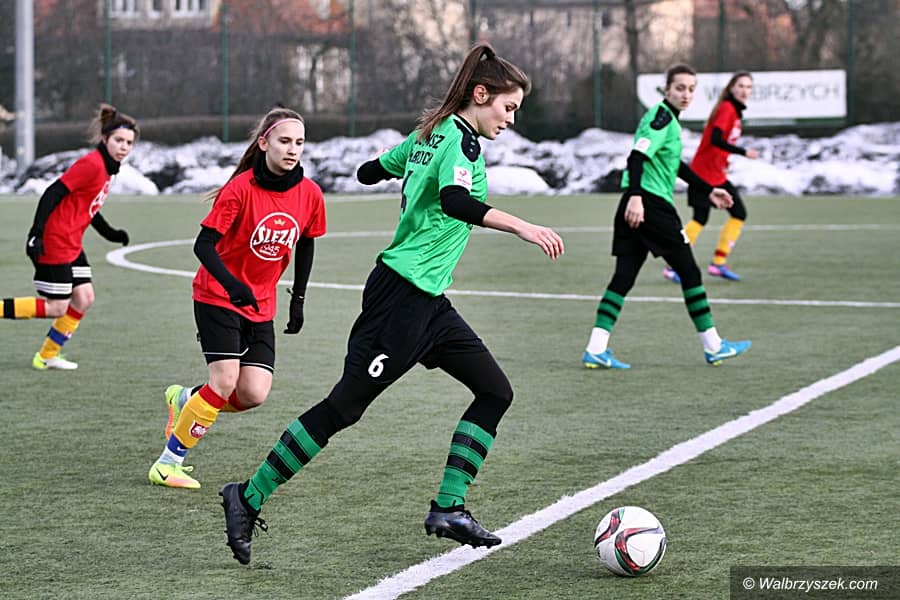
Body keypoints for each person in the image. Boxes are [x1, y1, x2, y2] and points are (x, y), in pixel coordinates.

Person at [218, 43, 565, 565]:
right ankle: (247, 496)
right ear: (480, 94)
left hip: (429, 303)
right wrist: (522, 226)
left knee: (495, 391)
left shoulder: (430, 133)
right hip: (399, 300)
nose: (511, 119)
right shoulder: (460, 144)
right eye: (508, 107)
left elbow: (370, 170)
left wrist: (397, 172)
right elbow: (454, 201)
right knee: (344, 407)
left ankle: (449, 507)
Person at [148, 107, 326, 490]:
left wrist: (297, 300)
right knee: (224, 382)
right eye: (284, 141)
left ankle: (187, 400)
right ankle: (167, 463)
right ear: (264, 143)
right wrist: (232, 285)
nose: (292, 149)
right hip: (217, 295)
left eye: (299, 142)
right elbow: (203, 245)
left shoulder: (310, 194)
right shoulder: (241, 188)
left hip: (260, 304)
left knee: (252, 393)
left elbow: (307, 243)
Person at [581, 64, 750, 370]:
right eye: (680, 88)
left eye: (691, 89)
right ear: (666, 89)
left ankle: (596, 348)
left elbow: (676, 165)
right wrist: (636, 196)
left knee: (624, 276)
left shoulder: (668, 119)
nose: (686, 94)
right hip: (650, 205)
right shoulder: (661, 118)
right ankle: (714, 346)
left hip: (639, 204)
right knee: (689, 272)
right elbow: (636, 157)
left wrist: (708, 189)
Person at [1, 103, 136, 370]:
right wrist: (36, 233)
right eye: (119, 140)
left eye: (129, 143)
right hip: (55, 241)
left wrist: (110, 233)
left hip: (72, 242)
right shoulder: (92, 164)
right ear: (105, 139)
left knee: (84, 298)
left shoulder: (108, 168)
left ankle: (46, 355)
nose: (124, 147)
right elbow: (53, 192)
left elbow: (87, 206)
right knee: (56, 307)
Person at [662, 71, 759, 284]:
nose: (745, 90)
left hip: (714, 173)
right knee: (725, 215)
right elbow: (716, 139)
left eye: (749, 87)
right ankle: (680, 265)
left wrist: (724, 161)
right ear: (731, 88)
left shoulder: (733, 111)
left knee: (714, 217)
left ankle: (715, 263)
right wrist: (743, 152)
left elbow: (718, 144)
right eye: (741, 86)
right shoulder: (727, 108)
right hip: (704, 174)